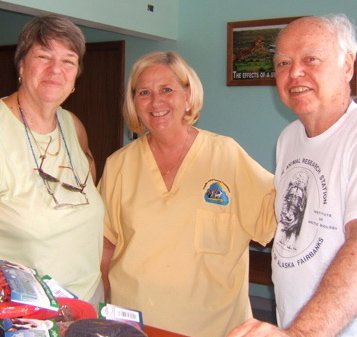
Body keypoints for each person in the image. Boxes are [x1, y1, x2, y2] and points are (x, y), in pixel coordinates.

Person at [99, 50, 276, 337]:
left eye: (167, 89)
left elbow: (279, 217)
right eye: (144, 92)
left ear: (188, 95)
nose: (156, 102)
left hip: (214, 328)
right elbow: (105, 244)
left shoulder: (226, 155)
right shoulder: (119, 164)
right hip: (135, 323)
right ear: (134, 103)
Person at [227, 14, 357, 337]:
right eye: (283, 62)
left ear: (348, 66)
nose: (294, 72)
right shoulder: (288, 139)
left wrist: (299, 334)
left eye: (311, 59)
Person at [0, 14, 104, 305]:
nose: (56, 69)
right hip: (25, 313)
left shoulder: (73, 125)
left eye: (68, 61)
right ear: (21, 65)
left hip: (88, 299)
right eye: (43, 56)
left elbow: (86, 195)